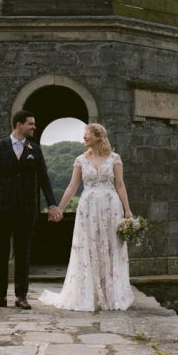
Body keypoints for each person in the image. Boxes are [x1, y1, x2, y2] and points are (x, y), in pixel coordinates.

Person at [40, 123, 135, 311]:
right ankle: (89, 294)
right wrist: (59, 208)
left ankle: (111, 294)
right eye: (84, 134)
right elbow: (72, 187)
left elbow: (121, 185)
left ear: (99, 136)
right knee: (89, 247)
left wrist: (128, 211)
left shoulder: (115, 159)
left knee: (110, 247)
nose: (84, 137)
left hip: (111, 207)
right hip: (88, 209)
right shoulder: (80, 160)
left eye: (87, 134)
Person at [0, 110, 59, 310]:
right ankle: (0, 296)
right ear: (19, 124)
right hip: (1, 210)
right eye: (31, 124)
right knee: (0, 253)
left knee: (23, 254)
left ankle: (21, 296)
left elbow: (44, 178)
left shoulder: (35, 149)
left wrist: (52, 204)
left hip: (26, 210)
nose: (34, 127)